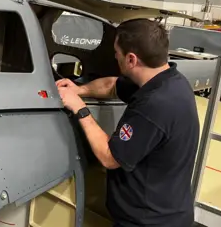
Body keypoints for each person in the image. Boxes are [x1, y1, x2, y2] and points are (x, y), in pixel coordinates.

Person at [56, 19, 199, 227]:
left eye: (117, 52)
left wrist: (80, 108)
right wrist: (79, 90)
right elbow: (113, 85)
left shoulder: (154, 105)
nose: (114, 56)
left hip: (149, 222)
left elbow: (109, 157)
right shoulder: (168, 81)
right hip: (167, 213)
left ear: (131, 59)